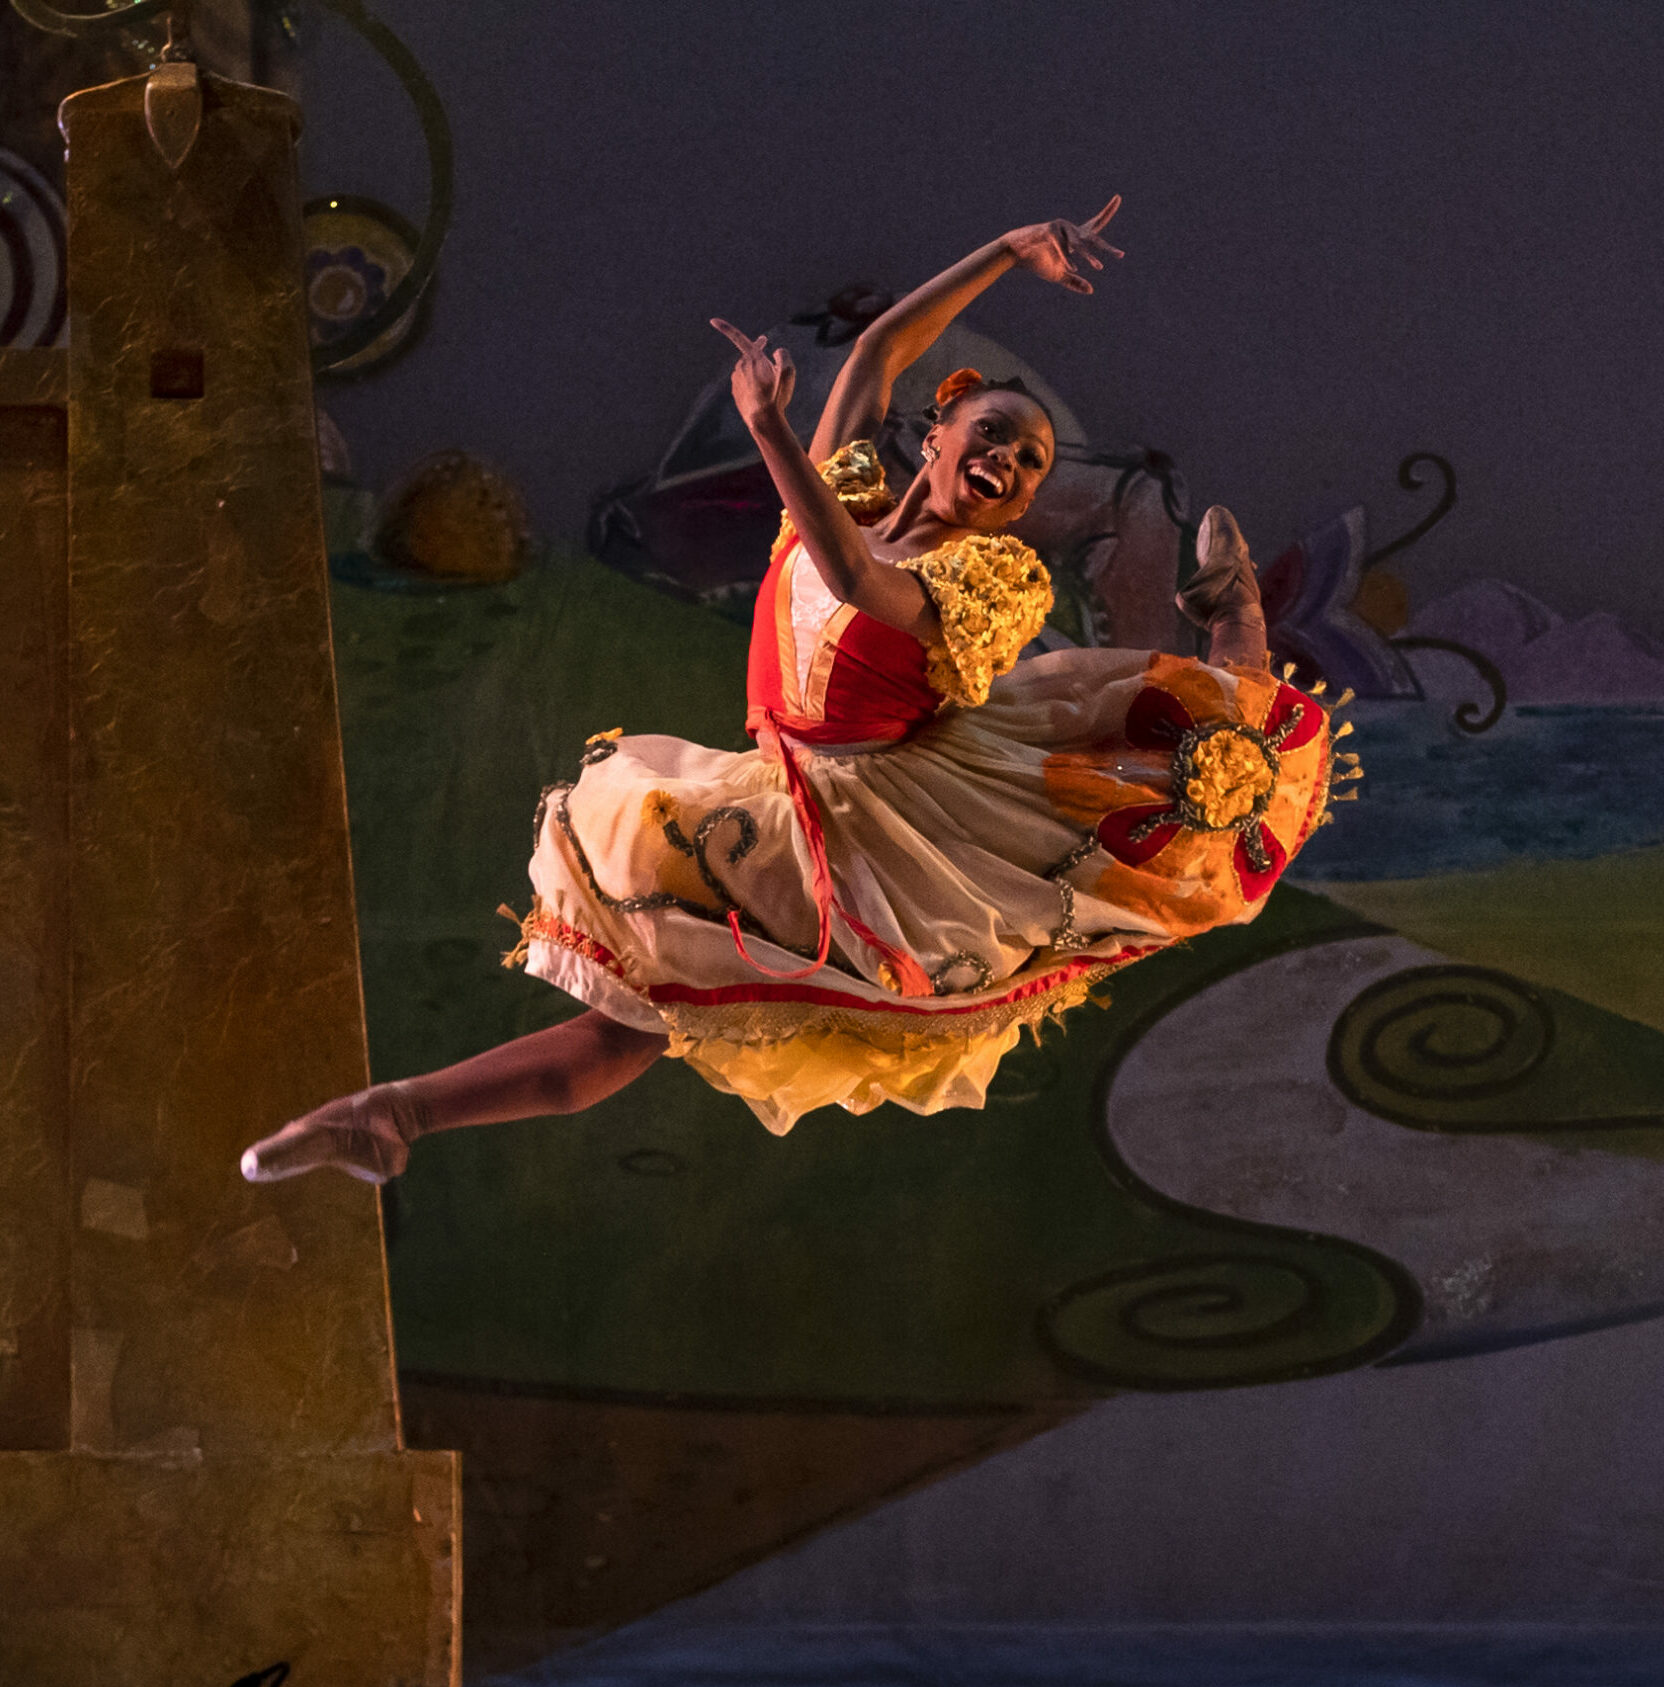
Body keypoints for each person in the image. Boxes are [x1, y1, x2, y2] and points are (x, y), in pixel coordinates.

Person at [242, 197, 1341, 1182]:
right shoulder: (847, 495)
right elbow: (874, 354)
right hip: (782, 791)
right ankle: (386, 1119)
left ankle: (1234, 619)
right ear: (939, 433)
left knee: (1190, 769)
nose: (1007, 463)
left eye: (1030, 465)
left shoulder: (982, 579)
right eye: (993, 435)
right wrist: (1004, 250)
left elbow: (859, 585)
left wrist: (769, 429)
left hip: (881, 827)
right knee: (627, 1024)